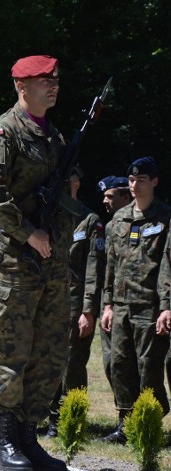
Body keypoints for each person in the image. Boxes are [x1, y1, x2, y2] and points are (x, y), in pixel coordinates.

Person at [0, 54, 71, 471]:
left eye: (55, 79)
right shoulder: (2, 132)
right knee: (11, 352)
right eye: (44, 80)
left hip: (49, 265)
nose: (53, 85)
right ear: (21, 86)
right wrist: (28, 231)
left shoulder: (56, 137)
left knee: (48, 355)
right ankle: (4, 443)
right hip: (12, 262)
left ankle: (29, 438)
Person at [100, 156, 171, 443]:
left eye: (141, 180)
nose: (134, 185)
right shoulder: (119, 218)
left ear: (154, 181)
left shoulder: (165, 217)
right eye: (131, 180)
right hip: (121, 305)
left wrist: (166, 306)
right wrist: (107, 304)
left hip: (149, 306)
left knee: (149, 368)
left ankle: (150, 420)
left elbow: (167, 265)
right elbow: (111, 264)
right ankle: (125, 424)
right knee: (119, 365)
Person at [46, 166, 105, 438]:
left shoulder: (89, 220)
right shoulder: (50, 216)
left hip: (75, 306)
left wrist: (88, 310)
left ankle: (73, 420)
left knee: (72, 365)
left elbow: (94, 268)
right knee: (49, 365)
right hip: (49, 304)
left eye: (68, 182)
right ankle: (54, 419)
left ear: (77, 184)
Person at [85, 175, 131, 419]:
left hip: (140, 306)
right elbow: (106, 271)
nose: (105, 201)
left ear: (127, 196)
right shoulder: (111, 227)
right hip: (111, 305)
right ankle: (124, 420)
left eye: (110, 196)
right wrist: (106, 305)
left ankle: (143, 421)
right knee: (111, 363)